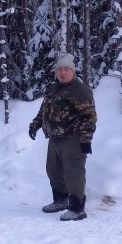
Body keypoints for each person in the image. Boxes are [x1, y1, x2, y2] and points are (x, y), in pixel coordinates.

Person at [28, 53, 96, 221]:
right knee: (54, 171)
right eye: (60, 69)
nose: (63, 72)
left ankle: (77, 208)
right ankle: (61, 201)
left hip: (73, 139)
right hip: (54, 139)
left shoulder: (80, 90)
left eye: (66, 69)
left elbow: (89, 117)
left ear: (73, 72)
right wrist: (35, 124)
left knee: (73, 174)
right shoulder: (52, 88)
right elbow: (44, 110)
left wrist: (86, 140)